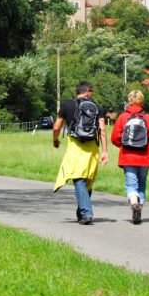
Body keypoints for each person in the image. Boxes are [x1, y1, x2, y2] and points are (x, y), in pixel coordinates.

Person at [53, 81, 109, 225]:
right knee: (86, 180)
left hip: (75, 146)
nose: (92, 95)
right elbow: (102, 130)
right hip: (92, 147)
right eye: (92, 92)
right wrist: (105, 151)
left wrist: (55, 140)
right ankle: (82, 212)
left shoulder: (66, 105)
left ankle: (86, 213)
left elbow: (56, 127)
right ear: (87, 91)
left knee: (79, 178)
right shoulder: (97, 107)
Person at [111, 90, 149, 224]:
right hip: (145, 157)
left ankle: (134, 205)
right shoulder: (148, 118)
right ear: (141, 101)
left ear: (129, 100)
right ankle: (140, 210)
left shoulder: (122, 117)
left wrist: (124, 145)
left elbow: (114, 138)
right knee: (142, 184)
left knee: (131, 184)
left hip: (128, 156)